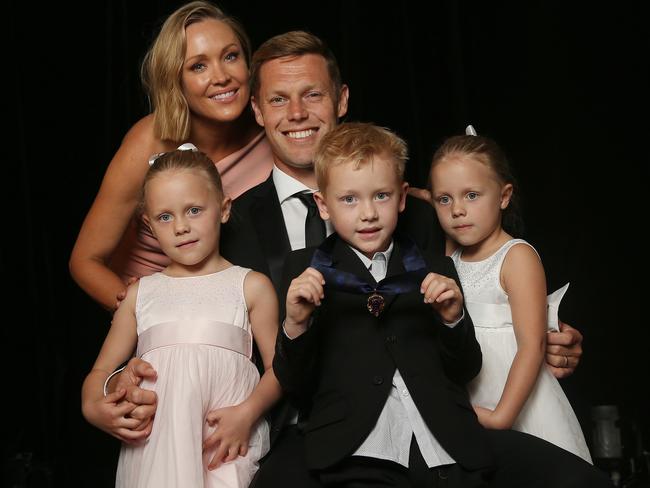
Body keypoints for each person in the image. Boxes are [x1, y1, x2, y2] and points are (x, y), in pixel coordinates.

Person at [104, 30, 586, 486]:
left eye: (312, 94)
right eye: (277, 99)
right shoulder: (225, 225)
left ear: (342, 100)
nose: (296, 112)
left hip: (431, 421)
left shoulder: (419, 212)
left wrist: (541, 335)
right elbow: (184, 314)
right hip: (294, 430)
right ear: (256, 109)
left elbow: (489, 271)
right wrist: (117, 376)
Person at [274, 121, 609, 487]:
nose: (368, 213)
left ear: (402, 198)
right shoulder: (305, 271)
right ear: (323, 205)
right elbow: (293, 381)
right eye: (349, 199)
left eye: (381, 196)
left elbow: (465, 367)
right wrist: (295, 325)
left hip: (445, 439)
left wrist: (453, 320)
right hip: (355, 445)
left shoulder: (434, 265)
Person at [81, 148, 282, 487]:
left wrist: (247, 415)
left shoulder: (250, 286)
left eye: (193, 210)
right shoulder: (139, 294)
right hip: (154, 451)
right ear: (148, 224)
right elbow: (100, 372)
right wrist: (92, 407)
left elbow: (281, 367)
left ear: (223, 208)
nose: (181, 227)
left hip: (224, 443)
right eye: (165, 217)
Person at [69, 1, 273, 312]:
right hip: (151, 311)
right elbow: (85, 262)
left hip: (231, 309)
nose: (221, 77)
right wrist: (151, 318)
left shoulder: (273, 132)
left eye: (230, 56)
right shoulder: (149, 140)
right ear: (175, 80)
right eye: (198, 66)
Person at [429, 133, 591, 462]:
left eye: (471, 195)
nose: (457, 210)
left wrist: (502, 415)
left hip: (516, 403)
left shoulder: (516, 257)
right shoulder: (451, 257)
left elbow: (532, 345)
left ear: (503, 197)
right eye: (444, 199)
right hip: (472, 401)